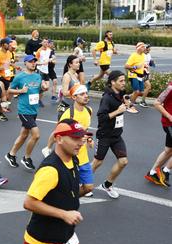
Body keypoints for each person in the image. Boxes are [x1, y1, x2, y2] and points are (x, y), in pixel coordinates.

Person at [23, 119, 90, 244]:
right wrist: (65, 214)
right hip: (43, 243)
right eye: (75, 138)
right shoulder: (50, 169)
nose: (80, 143)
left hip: (66, 236)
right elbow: (29, 203)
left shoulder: (73, 159)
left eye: (81, 138)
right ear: (59, 139)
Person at [41, 84, 94, 196]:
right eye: (82, 94)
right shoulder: (68, 114)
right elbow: (59, 136)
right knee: (66, 188)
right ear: (74, 97)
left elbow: (85, 128)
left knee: (88, 187)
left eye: (86, 93)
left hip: (83, 157)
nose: (86, 96)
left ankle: (69, 200)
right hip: (70, 158)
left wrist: (89, 139)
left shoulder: (89, 110)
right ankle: (65, 204)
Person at [5, 55, 49, 170]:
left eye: (34, 61)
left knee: (24, 134)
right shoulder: (19, 77)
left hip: (34, 109)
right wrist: (20, 91)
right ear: (25, 63)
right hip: (24, 110)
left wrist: (44, 88)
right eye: (30, 62)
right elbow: (9, 90)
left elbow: (39, 90)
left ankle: (11, 154)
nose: (33, 63)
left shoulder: (38, 76)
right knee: (36, 134)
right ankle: (26, 157)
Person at [91, 70, 129, 199]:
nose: (124, 83)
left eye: (124, 80)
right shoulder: (106, 98)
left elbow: (125, 105)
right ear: (113, 82)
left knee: (123, 161)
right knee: (97, 162)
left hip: (117, 135)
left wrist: (128, 104)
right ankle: (81, 183)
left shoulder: (121, 93)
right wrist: (118, 111)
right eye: (121, 81)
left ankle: (107, 185)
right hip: (105, 135)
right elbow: (101, 117)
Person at [144, 82, 172, 187]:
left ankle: (154, 173)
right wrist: (169, 116)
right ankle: (165, 171)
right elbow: (156, 103)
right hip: (169, 124)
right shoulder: (170, 88)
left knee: (169, 150)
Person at [0, 37, 13, 121]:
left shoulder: (9, 53)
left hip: (7, 76)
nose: (10, 45)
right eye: (8, 43)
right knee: (2, 95)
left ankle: (1, 110)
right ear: (4, 44)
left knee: (7, 95)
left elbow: (8, 63)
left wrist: (15, 66)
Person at [125, 42, 147, 113]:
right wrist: (135, 67)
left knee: (141, 92)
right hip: (133, 74)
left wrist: (145, 67)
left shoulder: (143, 55)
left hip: (140, 75)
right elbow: (126, 66)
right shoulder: (133, 55)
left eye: (144, 47)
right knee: (136, 91)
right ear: (139, 48)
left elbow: (142, 64)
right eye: (143, 47)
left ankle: (127, 97)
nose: (144, 48)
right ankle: (130, 106)